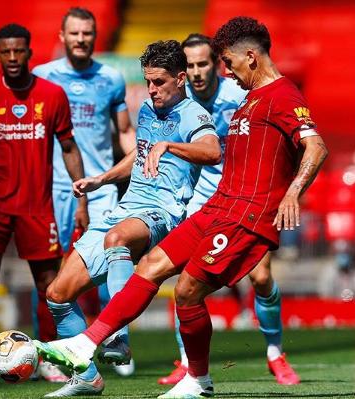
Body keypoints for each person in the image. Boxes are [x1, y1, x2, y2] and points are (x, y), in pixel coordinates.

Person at [33, 17, 328, 399]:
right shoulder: (249, 98)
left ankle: (199, 380)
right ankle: (88, 342)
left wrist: (293, 193)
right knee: (152, 265)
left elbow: (316, 146)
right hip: (217, 207)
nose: (226, 71)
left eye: (228, 62)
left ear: (251, 57)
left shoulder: (283, 96)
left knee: (189, 290)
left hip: (246, 215)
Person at [34, 39, 221, 397]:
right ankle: (86, 377)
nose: (151, 90)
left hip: (162, 211)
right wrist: (101, 178)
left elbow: (213, 151)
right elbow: (140, 153)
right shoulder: (150, 110)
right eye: (148, 81)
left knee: (117, 239)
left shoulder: (193, 115)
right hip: (125, 207)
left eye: (159, 82)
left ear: (181, 78)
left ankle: (116, 336)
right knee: (57, 293)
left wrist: (170, 146)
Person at [157, 33, 300, 386]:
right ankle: (189, 361)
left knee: (262, 276)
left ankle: (275, 352)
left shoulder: (241, 94)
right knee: (185, 282)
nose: (196, 71)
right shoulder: (181, 101)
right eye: (188, 65)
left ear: (216, 64)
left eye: (203, 63)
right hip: (203, 198)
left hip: (245, 198)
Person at [0, 23, 86, 384]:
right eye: (5, 51)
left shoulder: (53, 95)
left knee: (48, 285)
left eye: (18, 51)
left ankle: (48, 358)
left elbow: (69, 147)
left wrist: (81, 195)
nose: (12, 57)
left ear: (29, 52)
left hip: (37, 206)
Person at [32, 8, 136, 377]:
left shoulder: (110, 77)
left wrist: (137, 164)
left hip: (102, 185)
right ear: (62, 36)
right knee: (47, 272)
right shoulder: (41, 76)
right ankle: (47, 354)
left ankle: (115, 340)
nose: (81, 39)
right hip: (53, 187)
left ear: (95, 35)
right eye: (74, 33)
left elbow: (123, 130)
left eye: (87, 33)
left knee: (112, 263)